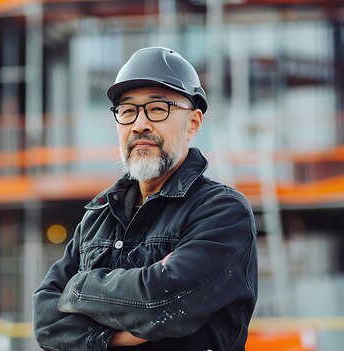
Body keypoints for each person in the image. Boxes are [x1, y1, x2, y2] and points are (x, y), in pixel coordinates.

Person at [33, 46, 258, 351]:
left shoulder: (222, 212)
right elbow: (45, 322)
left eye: (157, 108)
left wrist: (79, 288)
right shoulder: (98, 217)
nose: (139, 124)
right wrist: (117, 334)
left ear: (193, 123)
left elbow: (162, 304)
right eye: (127, 110)